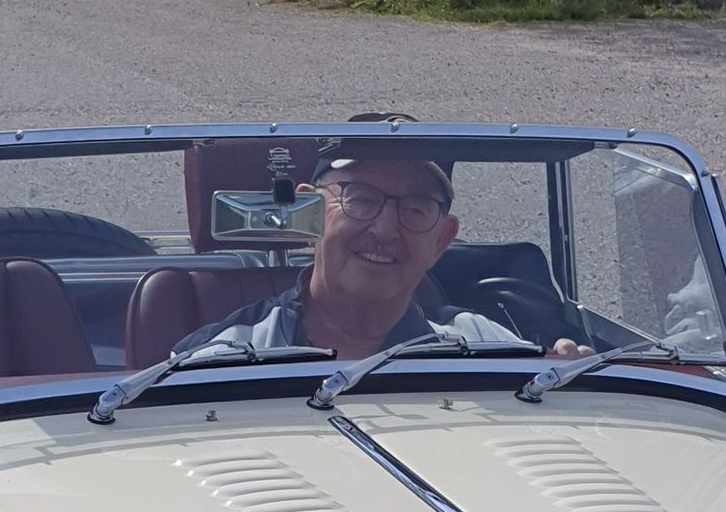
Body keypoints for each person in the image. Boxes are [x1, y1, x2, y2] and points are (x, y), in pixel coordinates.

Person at [178, 135, 591, 362]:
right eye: (360, 198)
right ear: (309, 216)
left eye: (415, 207)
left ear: (441, 241)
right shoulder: (222, 358)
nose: (385, 228)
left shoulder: (484, 345)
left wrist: (571, 386)